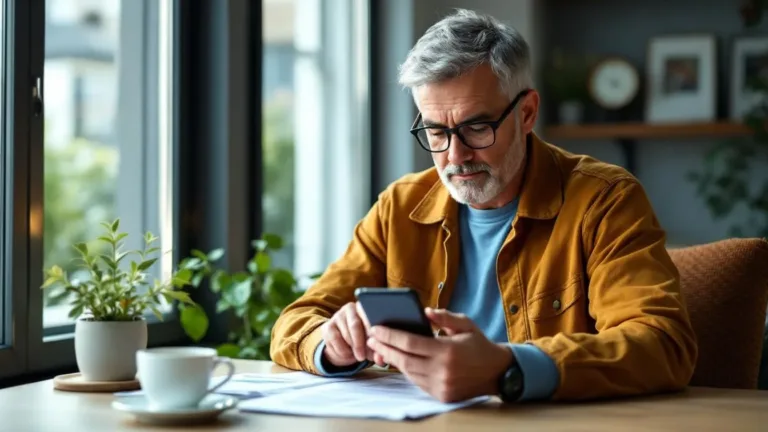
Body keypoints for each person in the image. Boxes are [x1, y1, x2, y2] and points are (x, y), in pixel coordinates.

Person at [270, 9, 698, 403]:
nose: (455, 156)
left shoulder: (604, 200)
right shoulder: (400, 207)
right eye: (436, 132)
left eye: (476, 128)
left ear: (527, 113)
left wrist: (507, 367)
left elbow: (662, 343)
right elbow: (296, 322)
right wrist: (333, 345)